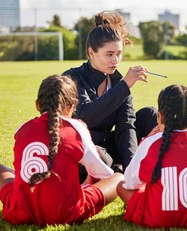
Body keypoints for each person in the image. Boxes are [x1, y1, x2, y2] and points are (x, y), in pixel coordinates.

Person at [0, 75, 123, 226]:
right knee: (117, 178)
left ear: (37, 105)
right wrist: (85, 187)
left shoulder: (22, 129)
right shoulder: (76, 127)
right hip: (66, 213)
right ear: (72, 106)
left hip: (21, 211)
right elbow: (100, 172)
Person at [62, 10, 157, 180]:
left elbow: (126, 126)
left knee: (150, 115)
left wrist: (132, 170)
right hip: (84, 148)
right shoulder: (72, 78)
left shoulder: (118, 81)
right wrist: (124, 86)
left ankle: (164, 167)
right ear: (91, 53)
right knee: (98, 154)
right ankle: (114, 171)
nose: (116, 60)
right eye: (109, 54)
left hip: (108, 147)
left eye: (119, 53)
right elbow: (85, 116)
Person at [116, 84, 187, 229]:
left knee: (120, 185)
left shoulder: (151, 143)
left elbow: (131, 183)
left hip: (158, 217)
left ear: (161, 116)